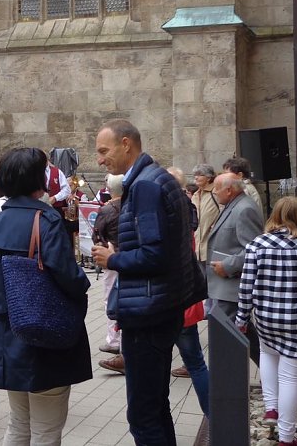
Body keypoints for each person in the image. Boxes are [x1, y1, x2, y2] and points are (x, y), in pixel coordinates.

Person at [0, 147, 91, 445]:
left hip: (6, 339)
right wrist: (82, 285)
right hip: (45, 337)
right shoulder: (47, 221)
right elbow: (70, 278)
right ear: (37, 179)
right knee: (46, 430)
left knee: (18, 423)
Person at [91, 120, 203, 445]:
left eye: (104, 150)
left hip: (149, 313)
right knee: (155, 406)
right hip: (161, 306)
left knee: (143, 415)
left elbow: (155, 255)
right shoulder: (156, 179)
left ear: (126, 144)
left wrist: (112, 259)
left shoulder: (145, 186)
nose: (99, 159)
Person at [236, 197, 297, 446]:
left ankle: (271, 408)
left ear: (275, 215)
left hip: (267, 318)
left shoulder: (257, 244)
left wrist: (242, 318)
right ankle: (287, 438)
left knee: (267, 354)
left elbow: (246, 287)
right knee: (290, 378)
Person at [207, 172, 264, 366]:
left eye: (216, 189)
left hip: (233, 284)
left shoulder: (245, 208)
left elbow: (253, 249)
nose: (214, 193)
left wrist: (228, 266)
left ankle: (233, 376)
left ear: (229, 190)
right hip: (225, 285)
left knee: (231, 333)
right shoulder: (234, 205)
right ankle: (268, 369)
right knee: (240, 331)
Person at [165, 166, 209, 418]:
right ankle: (215, 417)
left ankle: (216, 418)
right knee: (195, 362)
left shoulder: (171, 210)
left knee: (194, 362)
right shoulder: (187, 207)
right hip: (183, 296)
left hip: (173, 298)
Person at [94, 173, 124, 363]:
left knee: (111, 300)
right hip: (129, 256)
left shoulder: (107, 210)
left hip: (112, 257)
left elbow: (97, 234)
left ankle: (114, 340)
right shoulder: (132, 205)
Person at [191, 164, 219, 273]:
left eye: (199, 175)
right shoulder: (195, 195)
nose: (196, 177)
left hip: (211, 244)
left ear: (208, 177)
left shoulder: (216, 193)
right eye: (195, 175)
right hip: (197, 245)